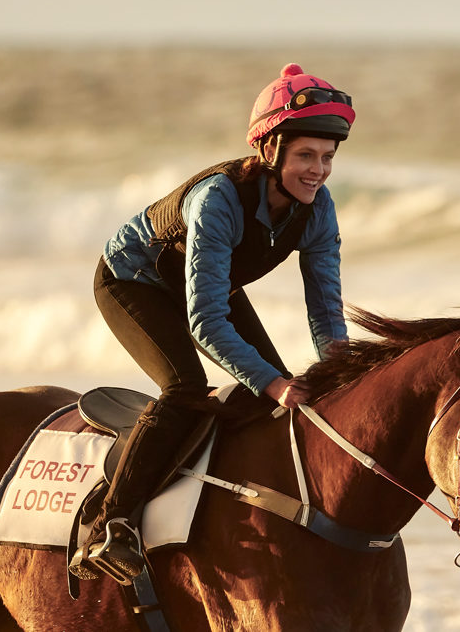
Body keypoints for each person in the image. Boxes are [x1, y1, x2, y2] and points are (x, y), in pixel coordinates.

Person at [69, 63, 355, 580]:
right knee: (187, 388)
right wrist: (273, 383)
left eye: (328, 157)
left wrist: (342, 372)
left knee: (269, 394)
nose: (318, 170)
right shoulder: (218, 198)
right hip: (133, 282)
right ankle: (111, 525)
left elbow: (326, 312)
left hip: (203, 286)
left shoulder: (319, 209)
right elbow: (205, 321)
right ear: (269, 152)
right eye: (305, 156)